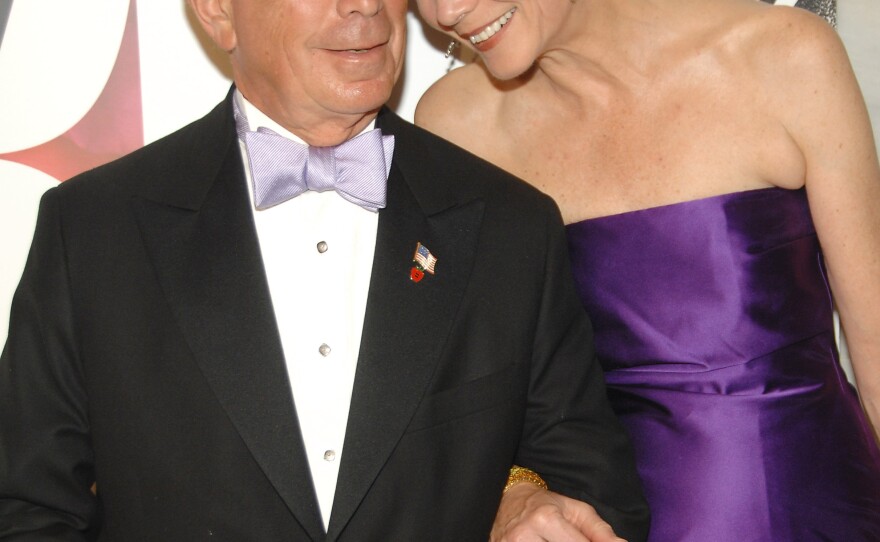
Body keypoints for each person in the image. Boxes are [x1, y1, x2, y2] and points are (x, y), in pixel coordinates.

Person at [0, 0, 650, 540]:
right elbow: (27, 508)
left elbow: (596, 494)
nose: (363, 7)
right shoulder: (92, 231)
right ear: (218, 13)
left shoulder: (511, 227)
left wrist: (519, 499)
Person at [414, 0, 880, 539]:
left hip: (818, 509)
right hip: (604, 522)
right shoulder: (456, 125)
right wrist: (511, 489)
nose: (446, 10)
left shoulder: (781, 55)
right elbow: (478, 395)